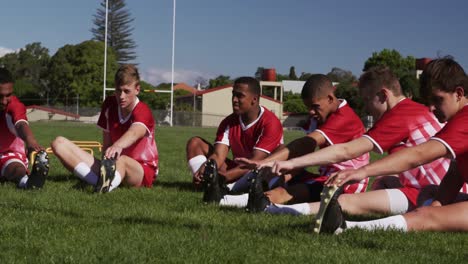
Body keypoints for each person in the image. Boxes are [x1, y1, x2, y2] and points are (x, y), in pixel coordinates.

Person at [255, 67, 450, 216]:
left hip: (435, 195)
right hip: (445, 190)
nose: (365, 108)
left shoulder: (399, 116)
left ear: (383, 95)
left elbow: (346, 151)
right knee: (382, 182)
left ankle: (278, 211)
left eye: (367, 100)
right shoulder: (415, 109)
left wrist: (289, 163)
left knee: (348, 202)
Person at [315, 57, 468, 234]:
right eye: (429, 101)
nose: (432, 108)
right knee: (428, 195)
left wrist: (362, 171)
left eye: (437, 99)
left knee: (426, 216)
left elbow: (418, 155)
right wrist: (437, 205)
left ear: (458, 93)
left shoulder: (464, 119)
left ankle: (346, 228)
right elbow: (455, 174)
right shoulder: (458, 119)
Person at [230, 74, 369, 210]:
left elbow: (304, 144)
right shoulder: (319, 117)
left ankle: (227, 199)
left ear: (330, 98)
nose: (311, 112)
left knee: (284, 192)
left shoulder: (344, 117)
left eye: (315, 106)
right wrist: (281, 176)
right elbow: (302, 154)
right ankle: (233, 189)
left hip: (347, 183)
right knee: (276, 173)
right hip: (326, 177)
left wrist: (265, 162)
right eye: (308, 107)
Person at [51, 64, 159, 192]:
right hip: (113, 165)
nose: (121, 96)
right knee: (58, 143)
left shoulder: (143, 110)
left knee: (122, 160)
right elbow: (107, 143)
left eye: (126, 91)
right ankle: (100, 181)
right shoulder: (109, 104)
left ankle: (106, 186)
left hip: (140, 171)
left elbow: (135, 132)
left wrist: (118, 145)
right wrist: (105, 160)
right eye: (118, 90)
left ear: (137, 90)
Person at [186, 77, 283, 202]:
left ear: (254, 99)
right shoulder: (229, 121)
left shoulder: (270, 122)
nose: (234, 100)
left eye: (239, 96)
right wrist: (205, 169)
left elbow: (255, 161)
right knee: (195, 143)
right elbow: (218, 155)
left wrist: (222, 177)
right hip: (237, 171)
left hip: (260, 171)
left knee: (279, 153)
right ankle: (208, 185)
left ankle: (224, 186)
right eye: (233, 95)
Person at [0, 67, 49, 189]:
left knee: (15, 167)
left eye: (8, 95)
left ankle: (27, 182)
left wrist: (30, 141)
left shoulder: (15, 106)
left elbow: (21, 124)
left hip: (8, 154)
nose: (4, 101)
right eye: (0, 96)